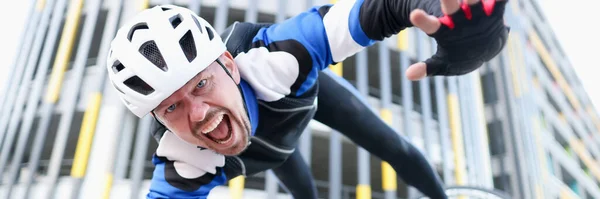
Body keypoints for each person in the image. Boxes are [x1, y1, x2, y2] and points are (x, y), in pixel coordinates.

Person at [106, 0, 509, 198]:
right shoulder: (185, 164)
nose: (199, 115)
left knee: (394, 147)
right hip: (276, 150)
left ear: (228, 64)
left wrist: (451, 21)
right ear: (157, 117)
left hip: (303, 99)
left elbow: (381, 11)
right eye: (172, 107)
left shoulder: (278, 57)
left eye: (200, 85)